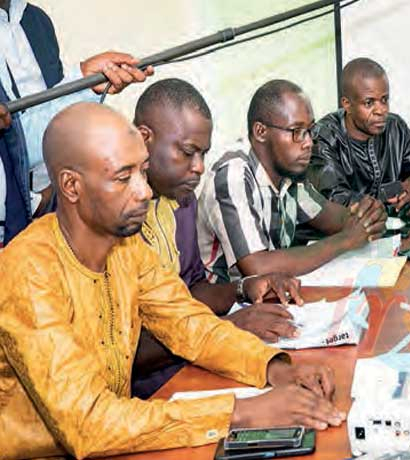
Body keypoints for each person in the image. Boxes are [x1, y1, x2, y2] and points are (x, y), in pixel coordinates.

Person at [0, 103, 343, 458]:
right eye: (123, 177)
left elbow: (188, 323)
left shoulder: (126, 246)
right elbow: (86, 424)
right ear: (71, 186)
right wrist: (242, 412)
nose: (144, 191)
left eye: (143, 171)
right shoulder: (28, 270)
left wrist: (275, 367)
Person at [131, 78, 310, 399]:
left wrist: (243, 288)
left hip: (195, 359)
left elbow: (192, 289)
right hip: (152, 388)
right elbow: (124, 350)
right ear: (144, 139)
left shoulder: (182, 201)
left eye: (203, 154)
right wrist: (229, 326)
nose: (199, 168)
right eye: (188, 152)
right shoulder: (118, 216)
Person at [197, 79, 387, 283]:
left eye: (310, 131)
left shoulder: (288, 175)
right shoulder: (234, 174)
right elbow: (257, 266)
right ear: (261, 132)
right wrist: (346, 240)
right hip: (227, 307)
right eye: (297, 131)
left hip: (272, 294)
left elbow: (333, 218)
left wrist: (367, 214)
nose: (308, 143)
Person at [0, 0, 153, 244]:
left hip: (57, 211)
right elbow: (12, 141)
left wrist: (84, 84)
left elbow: (36, 128)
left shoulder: (35, 21)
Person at [309, 57, 410, 215]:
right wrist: (397, 189)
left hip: (398, 228)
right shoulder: (324, 136)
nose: (381, 110)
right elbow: (335, 199)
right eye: (369, 103)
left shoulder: (395, 127)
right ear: (347, 104)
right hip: (345, 235)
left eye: (384, 100)